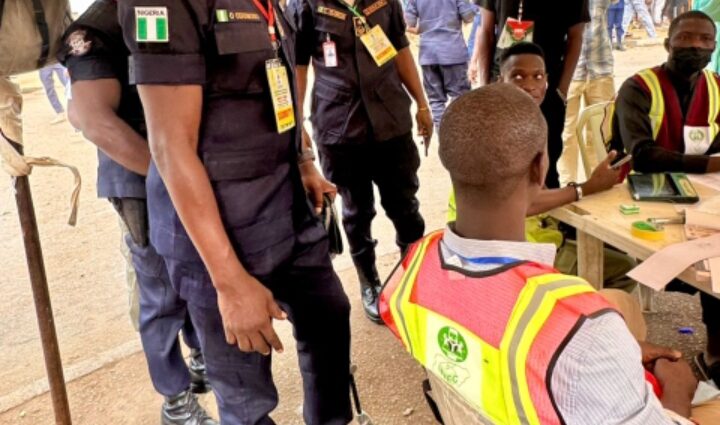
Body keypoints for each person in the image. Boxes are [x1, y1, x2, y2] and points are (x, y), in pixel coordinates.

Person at [381, 83, 720, 425]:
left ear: (449, 160)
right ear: (539, 167)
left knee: (618, 301)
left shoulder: (412, 266)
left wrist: (612, 351)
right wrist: (678, 389)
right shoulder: (583, 326)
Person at [117, 0, 352, 423]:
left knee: (330, 319)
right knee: (247, 399)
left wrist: (303, 160)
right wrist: (230, 283)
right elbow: (171, 149)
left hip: (287, 211)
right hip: (220, 243)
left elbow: (276, 86)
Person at [58, 1, 216, 423]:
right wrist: (171, 178)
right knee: (160, 289)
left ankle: (200, 358)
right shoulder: (93, 30)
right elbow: (95, 121)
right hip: (140, 178)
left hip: (184, 168)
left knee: (196, 268)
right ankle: (175, 399)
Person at [450, 42, 636, 291]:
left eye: (537, 77)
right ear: (499, 80)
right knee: (624, 266)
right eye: (518, 76)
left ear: (546, 81)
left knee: (610, 248)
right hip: (517, 253)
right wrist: (586, 188)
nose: (529, 85)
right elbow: (522, 202)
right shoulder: (498, 130)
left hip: (519, 240)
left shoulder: (528, 121)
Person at [289, 0, 431, 323]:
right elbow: (298, 67)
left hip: (391, 121)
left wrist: (422, 103)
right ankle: (369, 281)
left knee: (405, 206)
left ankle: (417, 276)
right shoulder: (305, 5)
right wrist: (297, 127)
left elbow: (401, 49)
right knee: (356, 212)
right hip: (340, 127)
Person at [610, 10, 720, 388]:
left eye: (706, 40)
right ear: (667, 43)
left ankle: (716, 350)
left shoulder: (718, 87)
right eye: (687, 38)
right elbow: (642, 155)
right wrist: (710, 163)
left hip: (702, 195)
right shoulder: (638, 87)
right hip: (643, 195)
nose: (696, 46)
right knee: (713, 256)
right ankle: (717, 356)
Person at [468, 0, 589, 189]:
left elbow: (576, 37)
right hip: (502, 88)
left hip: (546, 92)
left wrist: (561, 91)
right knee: (500, 163)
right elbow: (485, 30)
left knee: (545, 166)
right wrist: (485, 87)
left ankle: (546, 214)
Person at [559, 0, 616, 186]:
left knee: (600, 133)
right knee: (567, 132)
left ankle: (597, 181)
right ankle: (568, 184)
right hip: (570, 71)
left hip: (601, 67)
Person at [404, 0, 475, 128]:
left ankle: (443, 140)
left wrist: (427, 28)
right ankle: (459, 139)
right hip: (453, 53)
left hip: (428, 54)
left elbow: (409, 23)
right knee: (460, 99)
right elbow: (469, 16)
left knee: (436, 102)